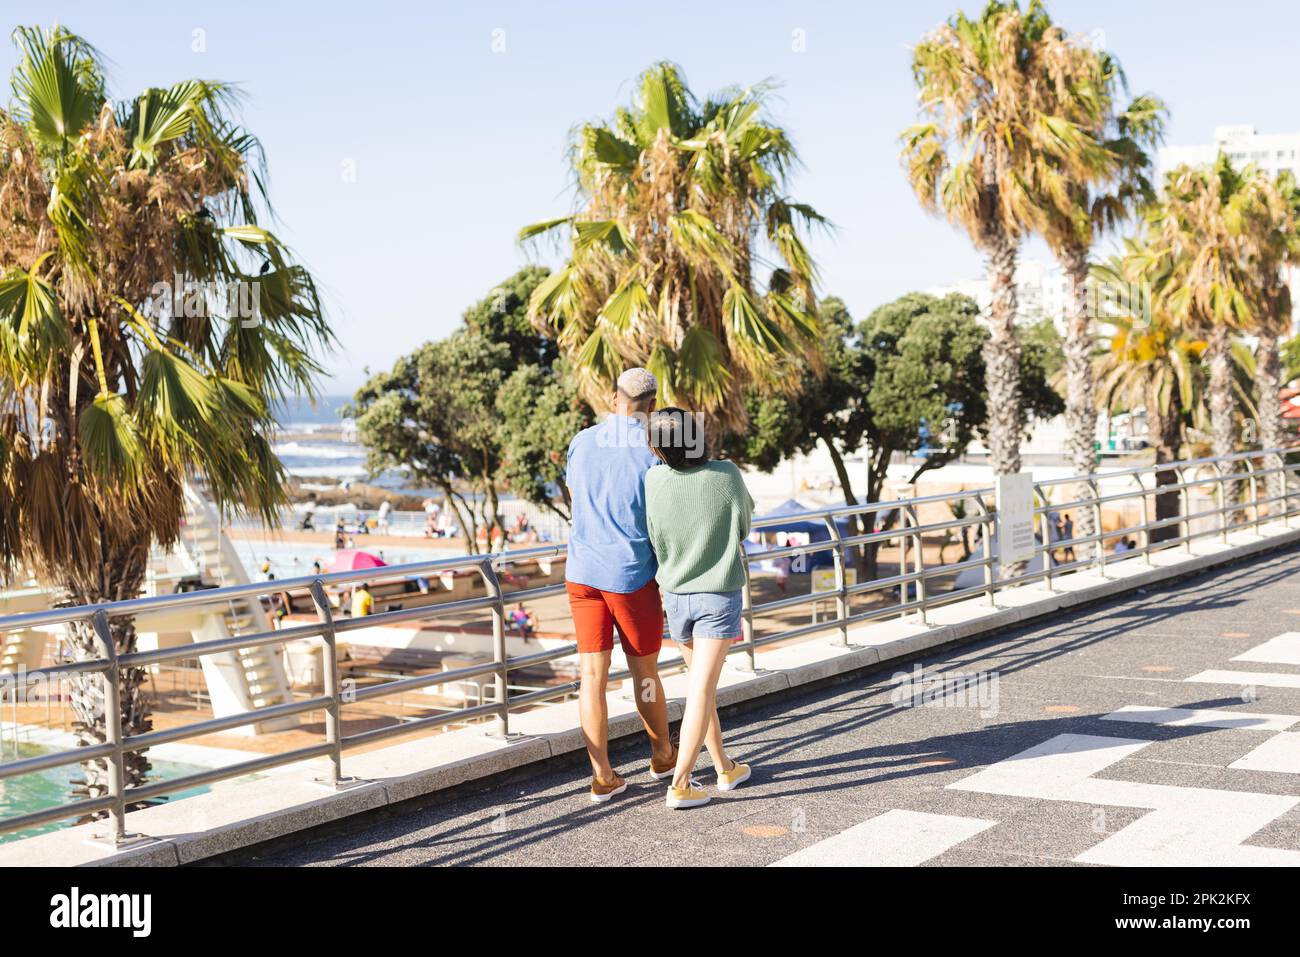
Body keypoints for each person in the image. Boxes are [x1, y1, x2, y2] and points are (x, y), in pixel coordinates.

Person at [564, 367, 675, 803]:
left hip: (582, 574)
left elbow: (577, 497)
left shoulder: (582, 440)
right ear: (652, 405)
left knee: (592, 676)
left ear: (614, 399)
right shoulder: (653, 448)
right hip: (630, 576)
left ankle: (602, 775)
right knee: (644, 673)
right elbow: (660, 515)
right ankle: (662, 755)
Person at [645, 407, 754, 809]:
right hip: (716, 594)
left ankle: (725, 767)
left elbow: (654, 534)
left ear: (656, 446)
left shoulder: (653, 479)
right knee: (701, 690)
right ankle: (681, 784)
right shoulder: (726, 475)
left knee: (700, 688)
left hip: (674, 596)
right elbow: (743, 525)